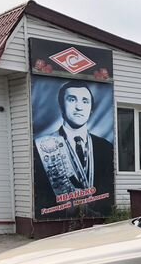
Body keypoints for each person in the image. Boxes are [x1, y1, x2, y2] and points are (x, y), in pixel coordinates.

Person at [34, 80, 113, 217]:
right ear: (61, 105)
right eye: (72, 100)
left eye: (85, 101)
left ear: (91, 109)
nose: (79, 107)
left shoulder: (106, 147)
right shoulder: (41, 146)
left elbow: (108, 188)